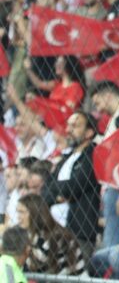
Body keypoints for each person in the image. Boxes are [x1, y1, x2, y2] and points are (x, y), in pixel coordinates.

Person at [42, 112, 99, 255]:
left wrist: (58, 189)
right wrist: (59, 195)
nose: (68, 130)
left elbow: (73, 188)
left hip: (78, 235)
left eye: (75, 126)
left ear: (89, 132)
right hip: (53, 233)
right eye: (68, 125)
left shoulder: (93, 155)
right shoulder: (66, 158)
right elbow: (45, 190)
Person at [16, 194, 85, 275]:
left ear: (34, 213)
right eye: (17, 212)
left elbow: (30, 266)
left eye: (21, 212)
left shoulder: (50, 236)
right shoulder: (39, 232)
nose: (18, 217)